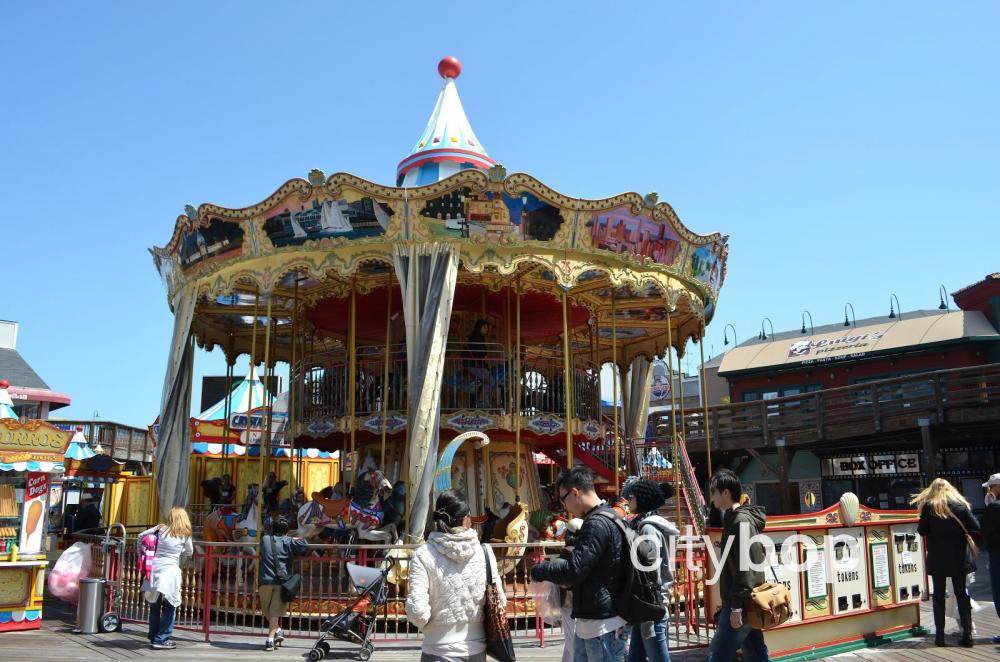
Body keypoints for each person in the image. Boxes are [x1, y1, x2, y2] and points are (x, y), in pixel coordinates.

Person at [530, 467, 627, 662]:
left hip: (600, 621)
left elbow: (575, 570)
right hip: (595, 616)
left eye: (563, 499)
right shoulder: (609, 517)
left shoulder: (596, 524)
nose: (564, 506)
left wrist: (541, 570)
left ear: (575, 493)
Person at [405, 489, 506, 662]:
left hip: (437, 649)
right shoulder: (485, 553)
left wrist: (433, 630)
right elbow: (500, 602)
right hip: (476, 648)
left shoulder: (423, 555)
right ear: (467, 518)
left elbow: (417, 612)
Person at [706, 469, 770, 662]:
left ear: (726, 493)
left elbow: (746, 567)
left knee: (717, 656)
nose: (712, 496)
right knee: (756, 654)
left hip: (741, 602)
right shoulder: (734, 519)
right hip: (745, 600)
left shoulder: (740, 521)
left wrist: (735, 607)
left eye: (713, 491)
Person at [913, 477, 980, 647]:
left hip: (938, 557)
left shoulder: (930, 507)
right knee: (961, 595)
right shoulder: (961, 505)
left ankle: (940, 637)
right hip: (959, 558)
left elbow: (921, 530)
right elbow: (975, 526)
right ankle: (968, 636)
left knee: (939, 596)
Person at [621, 480, 678, 662]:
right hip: (645, 604)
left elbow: (650, 571)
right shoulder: (644, 525)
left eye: (632, 497)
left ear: (642, 500)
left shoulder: (647, 528)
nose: (628, 501)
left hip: (650, 605)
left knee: (658, 658)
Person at [139, 507, 194, 650]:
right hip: (170, 571)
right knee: (171, 605)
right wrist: (180, 550)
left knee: (155, 605)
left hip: (155, 570)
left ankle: (153, 635)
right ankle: (161, 638)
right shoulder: (185, 534)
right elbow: (190, 551)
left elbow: (141, 536)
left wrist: (142, 551)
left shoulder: (161, 529)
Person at [259, 516, 308, 651]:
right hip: (282, 582)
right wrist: (295, 538)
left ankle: (271, 638)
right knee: (274, 612)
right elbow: (304, 544)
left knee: (266, 610)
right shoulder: (289, 541)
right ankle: (277, 632)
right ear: (286, 531)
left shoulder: (264, 539)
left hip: (265, 580)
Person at [981, 473, 1000, 644]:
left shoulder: (994, 508)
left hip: (997, 554)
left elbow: (984, 531)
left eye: (990, 487)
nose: (988, 490)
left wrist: (989, 507)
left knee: (999, 591)